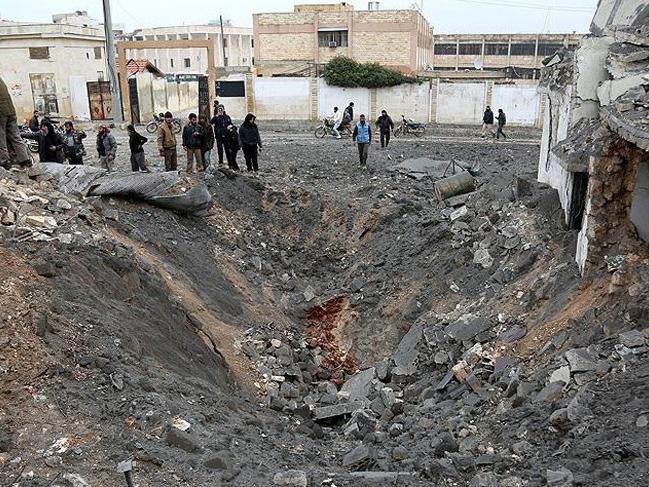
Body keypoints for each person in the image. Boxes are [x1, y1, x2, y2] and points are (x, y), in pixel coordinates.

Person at [0, 76, 31, 168]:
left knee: (1, 138)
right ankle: (25, 159)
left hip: (1, 112)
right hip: (11, 111)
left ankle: (4, 160)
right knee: (16, 137)